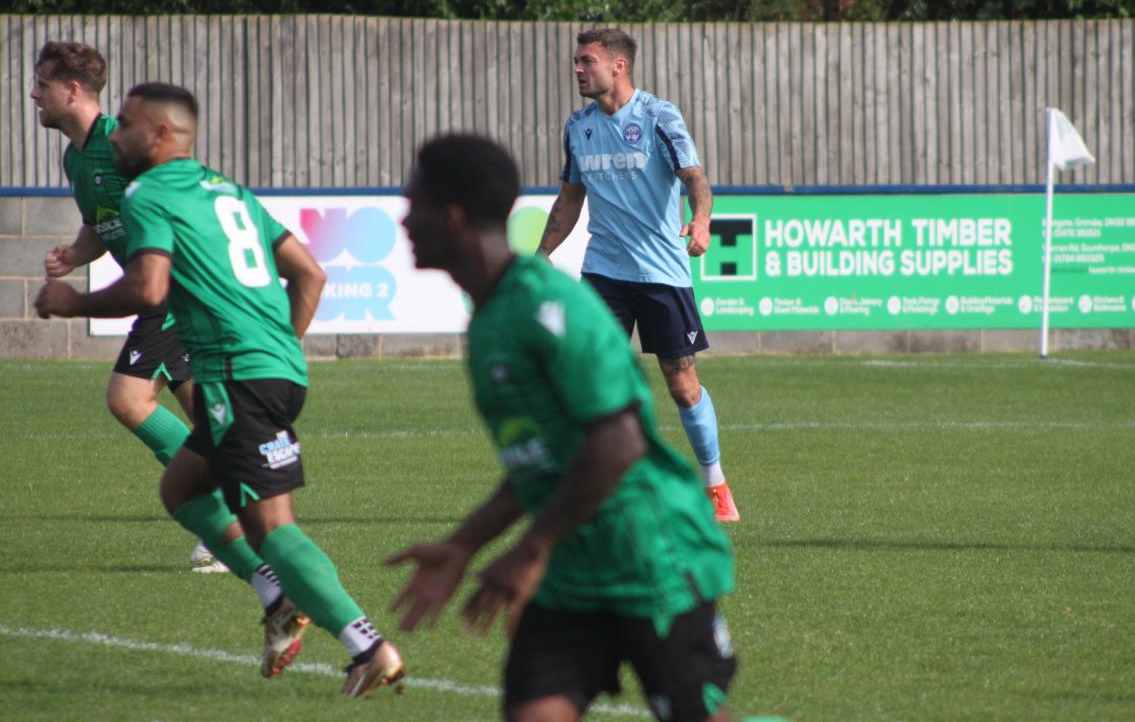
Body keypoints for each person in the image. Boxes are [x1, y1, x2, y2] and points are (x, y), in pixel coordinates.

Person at [34, 82, 404, 697]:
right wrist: (282, 349)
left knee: (273, 528)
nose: (116, 136)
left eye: (127, 124)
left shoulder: (149, 192)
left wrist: (73, 302)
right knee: (181, 488)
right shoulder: (229, 191)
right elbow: (310, 274)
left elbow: (150, 288)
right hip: (269, 369)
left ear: (160, 135)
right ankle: (276, 595)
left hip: (238, 376)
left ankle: (367, 645)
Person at [391, 133, 737, 722]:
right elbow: (541, 460)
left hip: (651, 559)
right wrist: (464, 544)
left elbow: (618, 444)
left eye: (414, 205)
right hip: (570, 571)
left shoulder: (547, 307)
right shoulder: (491, 318)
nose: (404, 221)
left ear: (451, 218)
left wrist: (528, 550)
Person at [30, 41, 225, 571]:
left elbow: (180, 196)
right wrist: (74, 254)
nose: (33, 94)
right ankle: (241, 517)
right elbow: (101, 223)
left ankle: (219, 510)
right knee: (211, 419)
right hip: (170, 294)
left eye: (42, 84)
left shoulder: (124, 142)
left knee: (127, 399)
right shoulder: (75, 156)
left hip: (180, 287)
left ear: (72, 90)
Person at [536, 28, 739, 522]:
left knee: (681, 383)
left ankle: (715, 486)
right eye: (577, 60)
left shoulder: (658, 117)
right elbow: (570, 199)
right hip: (604, 270)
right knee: (588, 375)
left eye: (587, 61)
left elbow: (696, 179)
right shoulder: (578, 126)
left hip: (661, 271)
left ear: (618, 66)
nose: (577, 69)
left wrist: (702, 221)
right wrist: (540, 255)